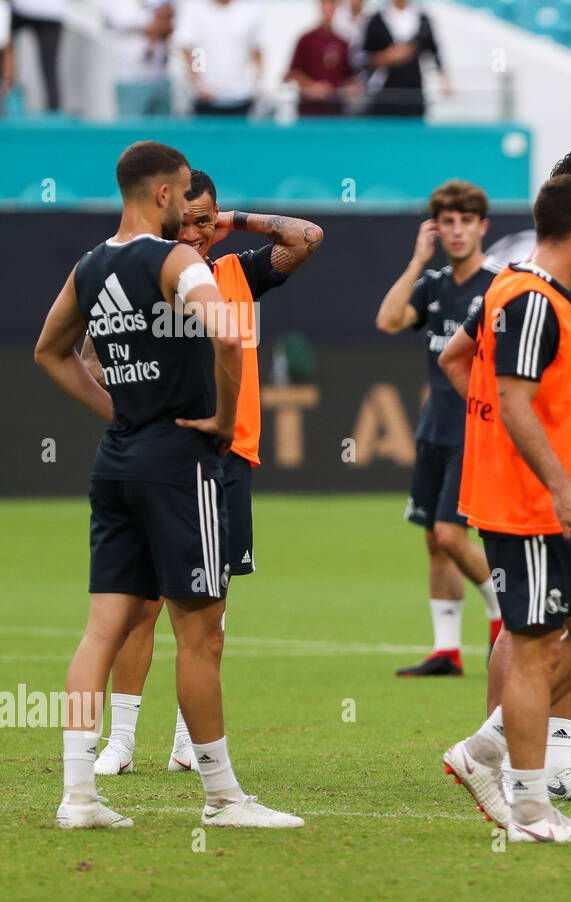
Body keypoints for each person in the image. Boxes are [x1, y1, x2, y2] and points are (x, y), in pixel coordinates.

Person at [33, 140, 301, 829]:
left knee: (100, 631)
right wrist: (221, 416)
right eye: (184, 196)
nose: (190, 210)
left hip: (115, 461)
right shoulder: (176, 260)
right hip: (182, 463)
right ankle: (222, 798)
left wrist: (118, 410)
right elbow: (228, 332)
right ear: (161, 194)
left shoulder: (89, 267)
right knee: (201, 635)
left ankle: (77, 797)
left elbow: (49, 352)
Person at [90, 170, 324, 776]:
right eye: (185, 219)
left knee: (207, 612)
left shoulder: (236, 273)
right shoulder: (153, 277)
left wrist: (239, 219)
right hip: (165, 459)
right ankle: (120, 740)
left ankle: (186, 742)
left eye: (206, 221)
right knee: (141, 605)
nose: (194, 232)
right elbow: (90, 355)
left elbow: (308, 237)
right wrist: (128, 415)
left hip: (230, 459)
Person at [442, 149, 571, 801]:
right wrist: (511, 447)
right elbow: (473, 369)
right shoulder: (530, 291)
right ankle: (510, 768)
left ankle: (549, 761)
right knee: (534, 631)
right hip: (543, 495)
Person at [374, 180, 503, 676]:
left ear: (482, 227)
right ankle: (447, 650)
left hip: (476, 431)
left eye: (465, 221)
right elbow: (387, 320)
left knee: (451, 536)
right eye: (446, 222)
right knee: (434, 539)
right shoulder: (431, 284)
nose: (456, 231)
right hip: (434, 427)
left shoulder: (497, 285)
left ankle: (501, 612)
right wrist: (414, 261)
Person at [361, 0, 450, 117]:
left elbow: (434, 51)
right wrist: (387, 57)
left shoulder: (422, 19)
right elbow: (364, 58)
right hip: (385, 94)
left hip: (413, 92)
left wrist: (444, 81)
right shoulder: (376, 20)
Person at [175, 0, 260, 116]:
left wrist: (256, 83)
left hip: (241, 95)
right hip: (205, 98)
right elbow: (189, 48)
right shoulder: (195, 9)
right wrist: (198, 83)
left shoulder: (249, 10)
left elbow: (256, 50)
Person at [102, 0, 173, 116]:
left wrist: (157, 23)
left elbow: (171, 22)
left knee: (161, 131)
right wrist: (154, 22)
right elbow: (121, 20)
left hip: (160, 77)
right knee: (132, 130)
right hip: (130, 78)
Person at [285, 0, 356, 117]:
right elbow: (292, 72)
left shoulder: (342, 42)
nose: (327, 10)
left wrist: (351, 88)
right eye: (325, 5)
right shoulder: (306, 40)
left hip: (335, 111)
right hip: (309, 110)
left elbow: (348, 77)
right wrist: (311, 86)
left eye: (331, 6)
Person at [10, 0, 62, 110]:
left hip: (51, 13)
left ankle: (54, 110)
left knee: (49, 66)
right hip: (21, 9)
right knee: (5, 45)